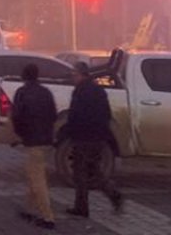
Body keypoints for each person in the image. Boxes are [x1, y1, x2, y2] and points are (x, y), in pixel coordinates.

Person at [58, 61, 124, 223]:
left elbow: (75, 115)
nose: (73, 77)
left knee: (80, 173)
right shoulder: (98, 90)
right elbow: (107, 114)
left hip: (83, 137)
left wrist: (71, 133)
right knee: (93, 170)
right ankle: (113, 194)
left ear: (80, 74)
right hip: (98, 136)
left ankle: (82, 207)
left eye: (74, 74)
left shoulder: (80, 91)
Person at [12, 63, 58, 230]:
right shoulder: (46, 92)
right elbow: (54, 115)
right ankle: (28, 210)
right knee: (34, 174)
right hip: (46, 141)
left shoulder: (22, 93)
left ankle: (48, 218)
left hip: (33, 142)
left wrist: (20, 135)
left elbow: (17, 117)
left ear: (24, 76)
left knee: (38, 180)